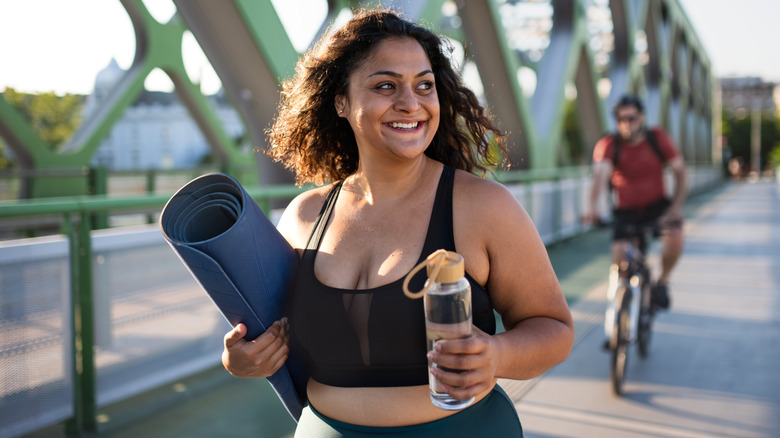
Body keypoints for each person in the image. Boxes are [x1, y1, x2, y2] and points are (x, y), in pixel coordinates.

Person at [221, 9, 574, 437]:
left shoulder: (483, 207)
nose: (411, 103)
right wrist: (242, 359)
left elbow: (554, 329)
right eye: (386, 85)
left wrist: (497, 355)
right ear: (341, 102)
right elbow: (269, 334)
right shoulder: (304, 216)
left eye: (424, 85)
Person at [583, 94, 687, 315]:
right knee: (621, 260)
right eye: (621, 120)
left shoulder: (657, 138)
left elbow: (680, 173)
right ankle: (621, 324)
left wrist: (675, 207)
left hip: (658, 206)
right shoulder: (609, 144)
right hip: (626, 211)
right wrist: (591, 208)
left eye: (631, 118)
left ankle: (662, 283)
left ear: (642, 117)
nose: (627, 125)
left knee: (675, 237)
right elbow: (599, 178)